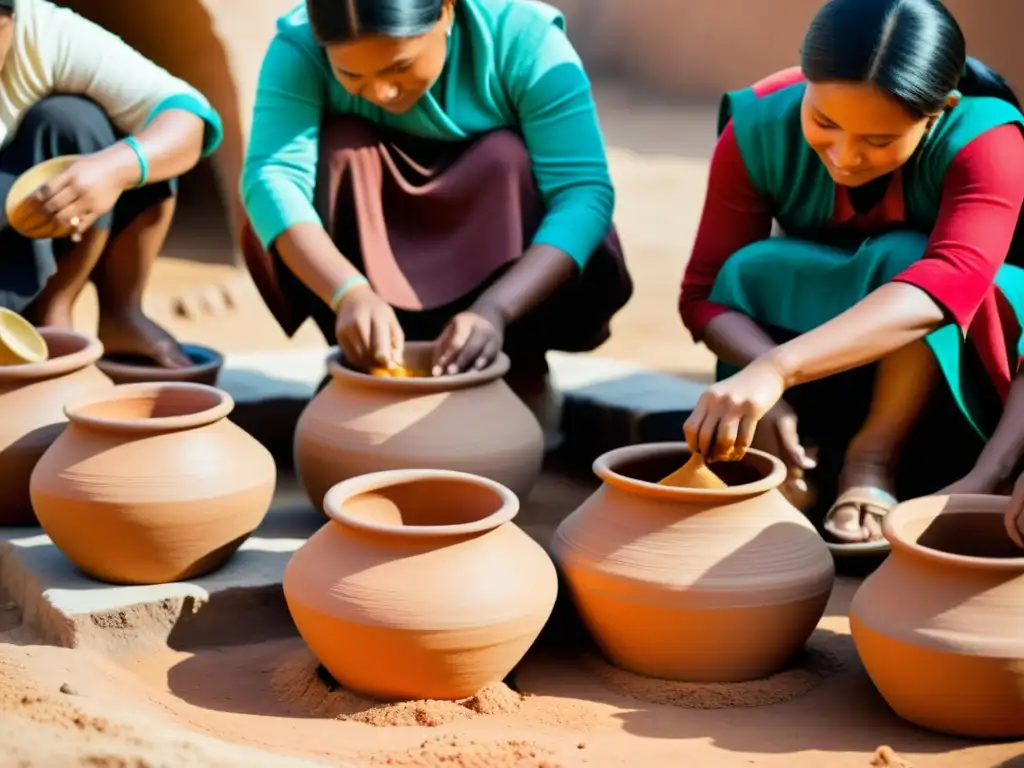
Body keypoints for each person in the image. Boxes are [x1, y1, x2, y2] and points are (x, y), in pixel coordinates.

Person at [678, 0, 1024, 553]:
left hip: (957, 383)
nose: (844, 156)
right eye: (824, 122)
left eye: (879, 141)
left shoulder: (988, 140)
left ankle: (873, 461)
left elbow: (949, 282)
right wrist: (765, 388)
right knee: (747, 269)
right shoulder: (759, 125)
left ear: (939, 111)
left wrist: (777, 368)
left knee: (908, 260)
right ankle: (799, 459)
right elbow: (702, 294)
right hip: (820, 371)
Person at [239, 0, 632, 443]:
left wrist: (496, 309)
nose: (381, 93)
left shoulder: (523, 39)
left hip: (498, 241)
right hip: (372, 227)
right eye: (352, 77)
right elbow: (272, 176)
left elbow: (583, 192)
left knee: (506, 159)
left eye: (399, 66)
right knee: (340, 152)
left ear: (446, 11)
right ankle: (369, 363)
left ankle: (518, 368)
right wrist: (347, 291)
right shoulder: (298, 47)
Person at [0, 0, 223, 367]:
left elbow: (186, 115)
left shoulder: (41, 32)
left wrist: (112, 170)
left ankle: (84, 316)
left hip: (23, 226)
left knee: (78, 124)